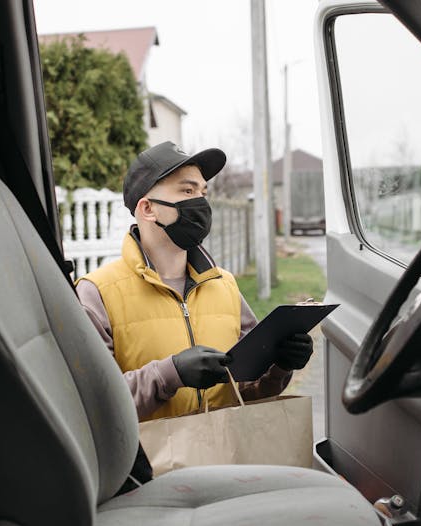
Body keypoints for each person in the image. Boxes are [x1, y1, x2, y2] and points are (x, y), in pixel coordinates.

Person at [77, 141, 313, 421]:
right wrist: (170, 374)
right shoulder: (97, 293)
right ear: (148, 208)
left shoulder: (224, 285)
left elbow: (249, 392)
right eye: (187, 191)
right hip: (149, 463)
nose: (201, 202)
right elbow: (93, 405)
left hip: (225, 459)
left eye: (203, 192)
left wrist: (280, 366)